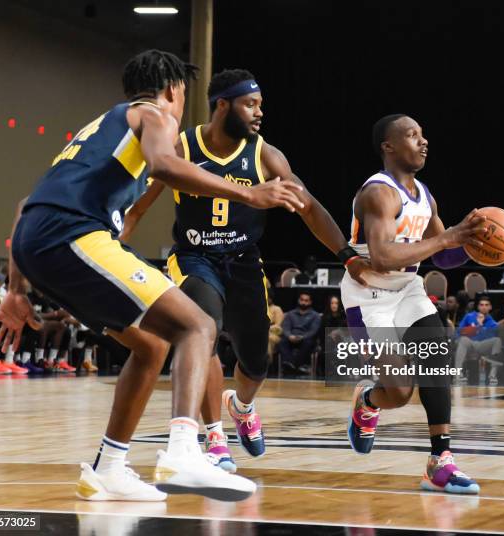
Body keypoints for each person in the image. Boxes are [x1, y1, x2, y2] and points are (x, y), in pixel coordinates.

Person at [0, 50, 306, 503]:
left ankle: (110, 468)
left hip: (37, 241)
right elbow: (163, 166)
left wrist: (16, 291)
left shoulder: (97, 128)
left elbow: (24, 208)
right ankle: (183, 451)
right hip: (75, 234)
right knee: (197, 325)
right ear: (174, 90)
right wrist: (249, 195)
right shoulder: (154, 114)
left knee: (152, 343)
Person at [121, 68, 372, 473]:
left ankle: (242, 406)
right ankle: (215, 437)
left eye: (261, 105)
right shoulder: (182, 147)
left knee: (255, 361)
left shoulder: (265, 155)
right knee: (200, 329)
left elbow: (309, 207)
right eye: (250, 104)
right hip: (192, 258)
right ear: (223, 105)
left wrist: (345, 253)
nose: (259, 113)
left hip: (242, 261)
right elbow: (139, 205)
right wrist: (112, 244)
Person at [341, 114, 486, 494]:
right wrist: (448, 238)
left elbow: (443, 257)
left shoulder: (425, 195)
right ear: (388, 146)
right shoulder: (378, 194)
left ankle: (441, 461)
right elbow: (383, 256)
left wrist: (475, 245)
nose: (422, 141)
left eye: (423, 134)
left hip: (407, 289)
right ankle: (368, 399)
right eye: (411, 135)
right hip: (368, 296)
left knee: (437, 356)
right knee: (401, 392)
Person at [454, 295, 503, 385]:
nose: (484, 307)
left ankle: (493, 375)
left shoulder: (493, 323)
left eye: (486, 305)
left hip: (482, 345)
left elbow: (487, 338)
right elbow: (459, 332)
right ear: (478, 307)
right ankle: (457, 374)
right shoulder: (469, 316)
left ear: (490, 307)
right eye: (481, 305)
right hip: (469, 343)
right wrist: (476, 327)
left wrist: (480, 325)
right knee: (464, 340)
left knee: (497, 340)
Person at [278, 292, 321, 375]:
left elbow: (313, 331)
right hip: (291, 338)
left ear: (310, 302)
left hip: (305, 339)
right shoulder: (290, 314)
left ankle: (293, 365)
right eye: (302, 300)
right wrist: (289, 336)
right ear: (298, 300)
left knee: (309, 342)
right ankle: (290, 364)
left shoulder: (315, 316)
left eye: (306, 300)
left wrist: (302, 337)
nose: (304, 302)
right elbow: (285, 327)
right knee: (281, 341)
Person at [318, 295, 347, 376]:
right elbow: (321, 333)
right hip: (326, 343)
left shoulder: (344, 316)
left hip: (342, 342)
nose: (334, 305)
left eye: (336, 303)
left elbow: (347, 332)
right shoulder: (324, 317)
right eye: (332, 303)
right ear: (329, 304)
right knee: (326, 348)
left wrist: (338, 332)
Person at [267, 289, 284, 360]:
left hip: (274, 334)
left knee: (266, 338)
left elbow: (278, 327)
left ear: (270, 298)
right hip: (258, 333)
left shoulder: (277, 309)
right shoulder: (258, 309)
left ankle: (266, 364)